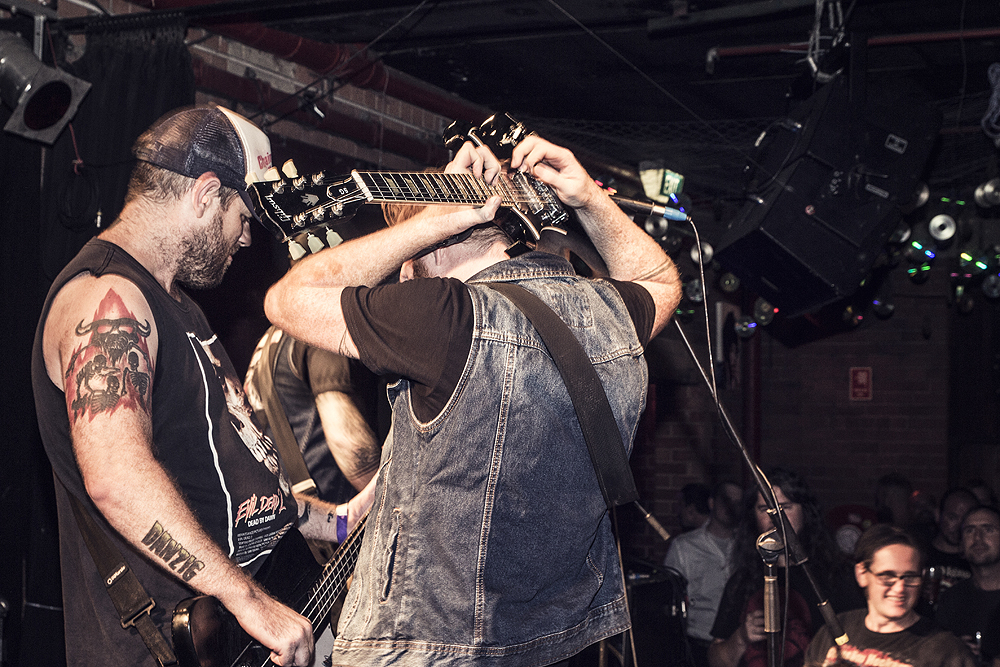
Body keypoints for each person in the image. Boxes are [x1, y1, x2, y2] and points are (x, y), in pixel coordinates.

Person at [264, 134, 682, 666]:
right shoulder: (605, 311)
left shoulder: (442, 313)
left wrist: (426, 223)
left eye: (408, 260)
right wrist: (590, 199)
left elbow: (287, 299)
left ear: (438, 245)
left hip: (429, 648)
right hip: (559, 642)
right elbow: (660, 280)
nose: (402, 273)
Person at [30, 105, 371, 667]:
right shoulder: (106, 300)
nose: (246, 239)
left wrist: (337, 520)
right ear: (206, 194)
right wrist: (248, 600)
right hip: (174, 645)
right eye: (243, 217)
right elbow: (115, 475)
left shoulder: (181, 307)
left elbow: (231, 482)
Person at [245, 227, 382, 506]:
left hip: (298, 513)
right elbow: (351, 447)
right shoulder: (317, 327)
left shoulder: (269, 341)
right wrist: (389, 502)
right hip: (340, 511)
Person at [708, 467, 865, 667]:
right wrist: (741, 638)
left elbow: (866, 645)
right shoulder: (742, 581)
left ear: (804, 512)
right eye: (764, 509)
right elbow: (715, 660)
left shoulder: (837, 577)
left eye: (785, 508)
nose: (775, 518)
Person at [804, 524, 975, 667]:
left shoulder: (947, 651)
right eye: (887, 576)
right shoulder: (834, 630)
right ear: (862, 574)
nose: (900, 588)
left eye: (910, 577)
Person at [665, 480, 742, 667]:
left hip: (737, 646)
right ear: (712, 503)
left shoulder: (747, 545)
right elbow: (669, 600)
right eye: (727, 500)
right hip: (698, 645)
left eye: (738, 503)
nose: (731, 507)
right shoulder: (684, 546)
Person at [935, 505, 1000, 665]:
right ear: (961, 544)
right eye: (969, 531)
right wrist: (953, 650)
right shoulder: (952, 599)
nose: (978, 538)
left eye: (988, 529)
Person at [924, 488, 978, 607]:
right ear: (938, 515)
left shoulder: (978, 560)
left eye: (966, 519)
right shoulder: (920, 554)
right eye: (953, 517)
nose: (959, 526)